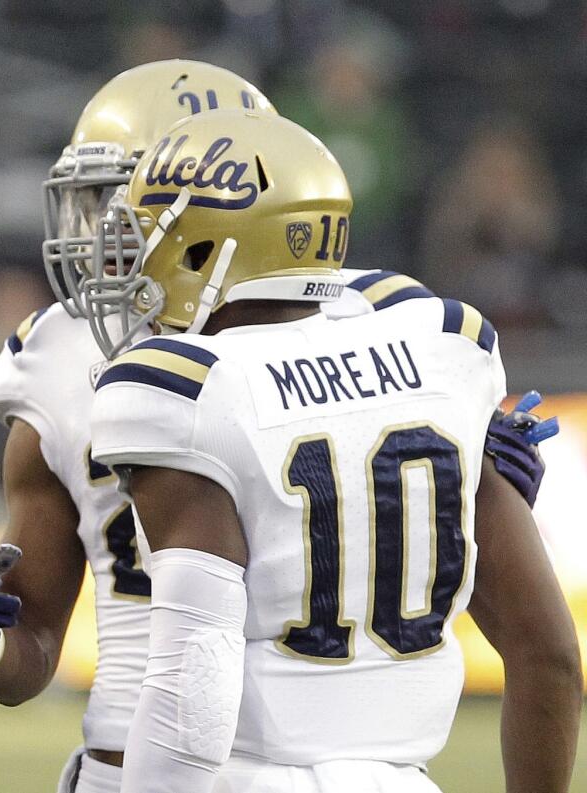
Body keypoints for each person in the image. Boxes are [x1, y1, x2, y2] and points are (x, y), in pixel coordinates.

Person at [0, 61, 555, 793]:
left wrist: (468, 492)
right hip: (132, 760)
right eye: (97, 205)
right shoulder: (58, 353)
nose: (100, 233)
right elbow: (30, 647)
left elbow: (448, 586)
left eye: (122, 202)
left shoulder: (368, 322)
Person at [87, 109, 581, 792]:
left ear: (210, 249)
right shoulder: (443, 349)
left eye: (151, 237)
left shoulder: (189, 389)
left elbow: (189, 698)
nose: (134, 263)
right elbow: (550, 655)